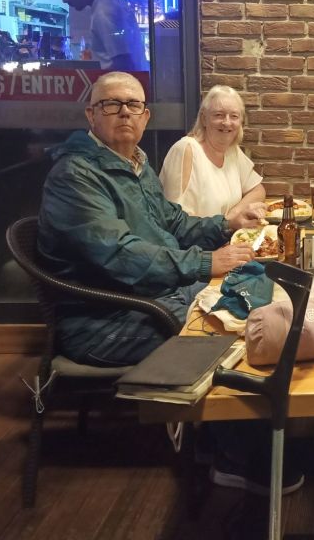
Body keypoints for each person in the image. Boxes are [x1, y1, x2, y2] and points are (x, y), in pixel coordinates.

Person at [38, 71, 261, 367]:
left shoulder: (136, 164)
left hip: (158, 296)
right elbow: (120, 253)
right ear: (91, 115)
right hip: (104, 321)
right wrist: (205, 262)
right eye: (111, 104)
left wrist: (227, 225)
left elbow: (175, 222)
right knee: (237, 333)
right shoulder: (75, 175)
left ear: (145, 117)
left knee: (257, 293)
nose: (124, 112)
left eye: (133, 105)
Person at [159, 85, 265, 217]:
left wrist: (234, 214)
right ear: (204, 119)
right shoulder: (185, 149)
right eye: (219, 115)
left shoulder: (231, 150)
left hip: (228, 230)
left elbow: (258, 190)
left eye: (234, 116)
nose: (227, 123)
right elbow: (176, 220)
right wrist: (227, 223)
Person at [48, 0, 147, 71]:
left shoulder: (103, 12)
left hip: (119, 82)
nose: (64, 0)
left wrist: (91, 78)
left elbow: (123, 63)